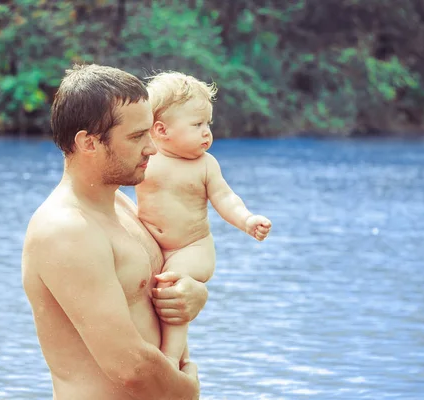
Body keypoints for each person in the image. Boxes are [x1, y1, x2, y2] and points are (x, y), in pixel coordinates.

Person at [21, 64, 209, 400]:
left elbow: (160, 285)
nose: (152, 148)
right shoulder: (65, 230)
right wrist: (188, 392)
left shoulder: (121, 206)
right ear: (89, 143)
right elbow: (130, 367)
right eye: (137, 137)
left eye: (150, 133)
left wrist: (192, 295)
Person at [135, 71, 272, 368]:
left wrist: (247, 220)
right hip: (156, 247)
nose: (207, 132)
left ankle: (170, 359)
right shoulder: (146, 157)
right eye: (197, 125)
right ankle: (157, 350)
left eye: (208, 124)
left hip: (192, 248)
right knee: (146, 292)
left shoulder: (205, 165)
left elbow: (225, 198)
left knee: (173, 294)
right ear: (160, 130)